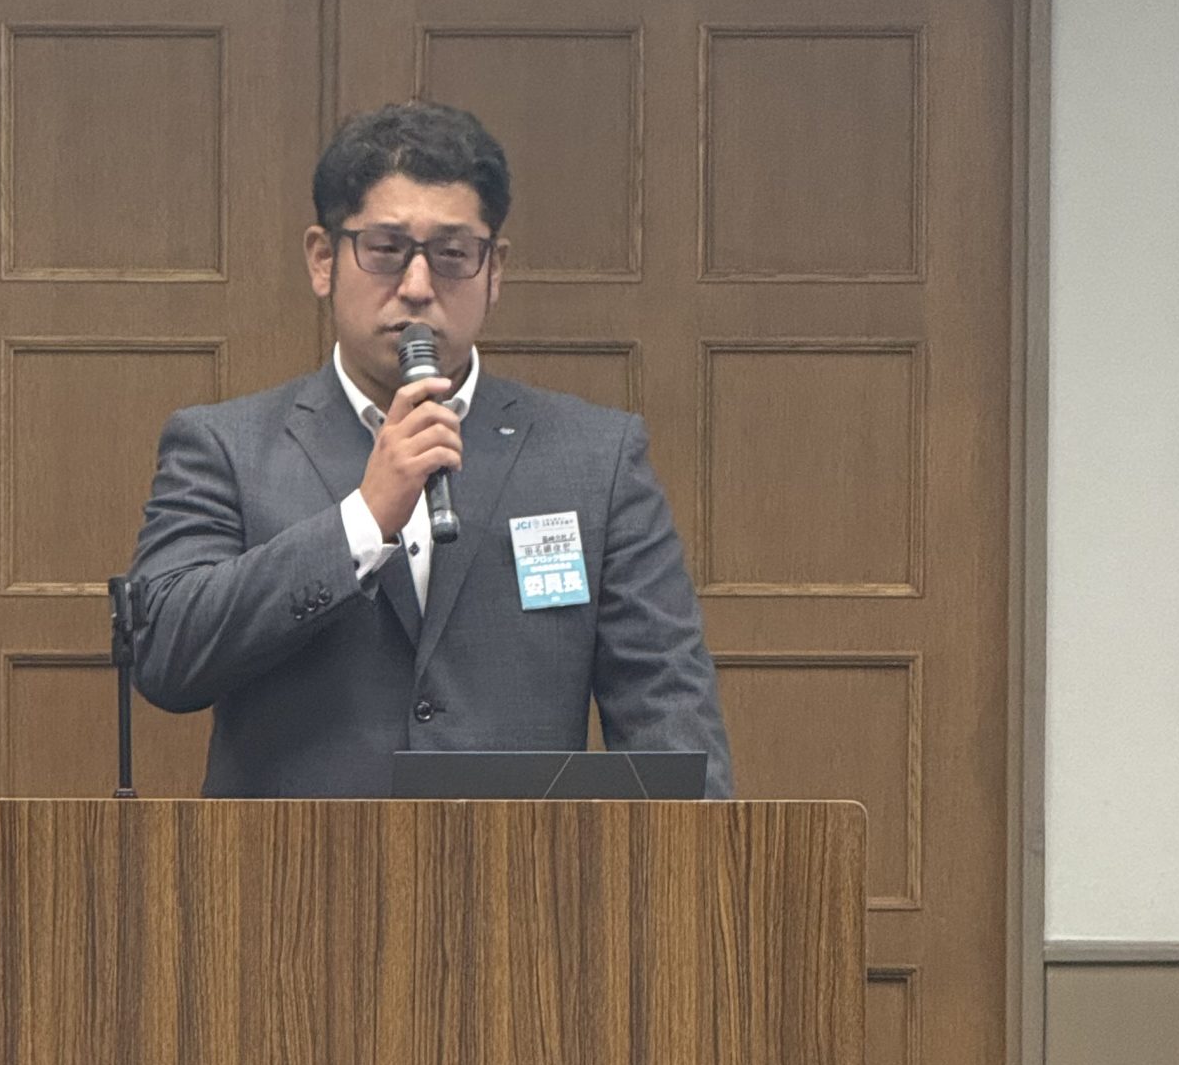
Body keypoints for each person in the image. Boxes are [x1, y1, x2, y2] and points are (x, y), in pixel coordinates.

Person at [127, 101, 732, 796]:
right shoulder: (225, 448)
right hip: (294, 864)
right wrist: (361, 522)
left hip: (520, 861)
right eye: (386, 250)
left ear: (494, 269)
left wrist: (696, 859)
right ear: (323, 260)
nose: (417, 288)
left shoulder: (596, 460)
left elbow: (667, 706)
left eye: (452, 255)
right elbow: (166, 654)